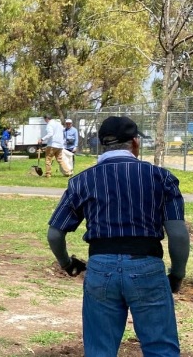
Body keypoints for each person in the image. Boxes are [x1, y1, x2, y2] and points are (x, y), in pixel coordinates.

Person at [47, 116, 188, 355]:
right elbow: (178, 235)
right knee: (161, 348)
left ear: (103, 145)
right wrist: (177, 274)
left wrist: (67, 263)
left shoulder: (82, 181)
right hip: (147, 265)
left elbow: (54, 234)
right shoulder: (161, 178)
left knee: (99, 349)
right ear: (135, 143)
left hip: (101, 268)